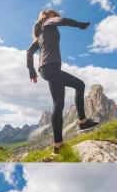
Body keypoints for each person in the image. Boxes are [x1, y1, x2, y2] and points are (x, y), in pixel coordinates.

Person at [27, 9, 100, 153]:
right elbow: (63, 20)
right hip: (51, 67)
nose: (58, 17)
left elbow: (29, 51)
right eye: (56, 15)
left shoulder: (40, 34)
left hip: (48, 69)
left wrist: (32, 70)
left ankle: (81, 123)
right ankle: (59, 144)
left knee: (78, 86)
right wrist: (80, 25)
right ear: (50, 16)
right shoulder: (48, 22)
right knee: (59, 103)